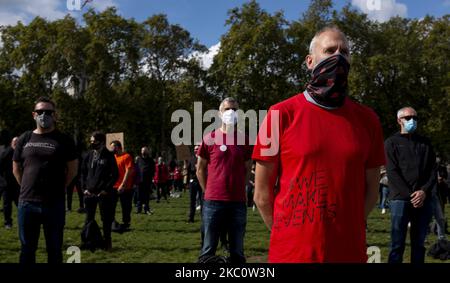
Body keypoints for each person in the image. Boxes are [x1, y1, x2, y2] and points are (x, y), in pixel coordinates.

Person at [252, 26, 386, 263]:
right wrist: (286, 234)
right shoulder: (279, 114)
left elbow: (372, 190)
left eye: (344, 51)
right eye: (329, 50)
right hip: (292, 253)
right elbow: (261, 193)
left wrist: (348, 227)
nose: (338, 57)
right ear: (310, 61)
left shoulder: (368, 120)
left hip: (349, 251)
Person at [12, 97, 78, 263]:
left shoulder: (64, 140)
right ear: (34, 114)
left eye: (48, 112)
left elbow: (72, 170)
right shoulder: (25, 138)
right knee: (27, 250)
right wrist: (27, 187)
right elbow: (16, 168)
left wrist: (60, 187)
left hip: (54, 203)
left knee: (54, 249)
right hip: (27, 203)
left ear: (54, 115)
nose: (44, 115)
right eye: (40, 112)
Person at [197, 97, 253, 263]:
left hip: (237, 201)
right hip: (213, 201)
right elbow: (200, 169)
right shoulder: (209, 138)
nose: (231, 113)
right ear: (220, 113)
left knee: (237, 250)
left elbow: (247, 168)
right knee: (208, 249)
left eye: (235, 110)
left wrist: (240, 187)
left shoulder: (245, 140)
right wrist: (207, 191)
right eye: (228, 109)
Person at [385, 106, 436, 263]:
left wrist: (423, 192)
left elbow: (432, 171)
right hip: (400, 199)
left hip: (423, 200)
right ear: (399, 120)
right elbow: (392, 172)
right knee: (397, 244)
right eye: (408, 118)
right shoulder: (391, 143)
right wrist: (410, 195)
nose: (412, 120)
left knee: (419, 244)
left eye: (415, 117)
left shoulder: (425, 143)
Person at [81, 132, 118, 250]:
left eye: (94, 141)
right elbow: (82, 172)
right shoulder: (89, 155)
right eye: (91, 141)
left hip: (103, 194)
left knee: (105, 219)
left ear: (101, 142)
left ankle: (107, 242)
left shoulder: (109, 156)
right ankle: (88, 242)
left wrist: (106, 189)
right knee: (88, 219)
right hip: (89, 193)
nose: (92, 144)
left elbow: (115, 175)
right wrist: (84, 188)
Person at [110, 140, 134, 231]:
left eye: (113, 147)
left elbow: (129, 171)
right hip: (113, 187)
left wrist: (122, 185)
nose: (111, 149)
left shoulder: (126, 156)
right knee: (111, 206)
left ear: (118, 147)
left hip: (125, 187)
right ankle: (112, 222)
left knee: (126, 206)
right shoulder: (112, 157)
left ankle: (126, 223)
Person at [0, 136, 19, 229]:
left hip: (18, 184)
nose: (16, 144)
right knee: (7, 204)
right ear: (11, 143)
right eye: (15, 143)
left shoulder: (21, 153)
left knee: (20, 203)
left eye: (17, 143)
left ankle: (25, 220)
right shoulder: (6, 153)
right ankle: (8, 222)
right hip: (7, 183)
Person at [135, 146, 155, 214]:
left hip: (147, 181)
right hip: (139, 181)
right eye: (143, 150)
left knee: (146, 196)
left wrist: (151, 177)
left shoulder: (150, 160)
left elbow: (153, 170)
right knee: (139, 196)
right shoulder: (138, 160)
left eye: (145, 150)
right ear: (141, 152)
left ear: (147, 152)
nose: (144, 152)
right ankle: (139, 210)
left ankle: (147, 209)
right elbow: (136, 170)